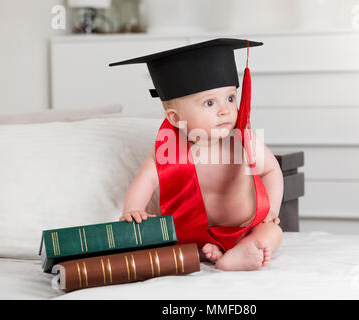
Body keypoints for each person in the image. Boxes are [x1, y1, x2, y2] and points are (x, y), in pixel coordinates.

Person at [109, 38, 284, 271]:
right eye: (209, 102)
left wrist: (271, 209)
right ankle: (210, 251)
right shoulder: (169, 149)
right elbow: (146, 179)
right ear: (174, 118)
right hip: (189, 233)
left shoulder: (242, 142)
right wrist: (133, 209)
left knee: (272, 232)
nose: (225, 110)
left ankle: (244, 250)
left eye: (230, 98)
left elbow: (272, 170)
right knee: (162, 242)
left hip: (243, 228)